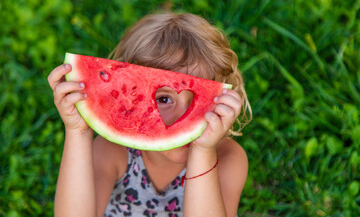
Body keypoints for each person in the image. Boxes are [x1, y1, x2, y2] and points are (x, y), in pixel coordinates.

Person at [48, 12, 252, 217]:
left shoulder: (227, 158)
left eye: (199, 101)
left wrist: (203, 151)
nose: (182, 117)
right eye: (164, 99)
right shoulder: (115, 151)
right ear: (128, 97)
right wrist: (78, 132)